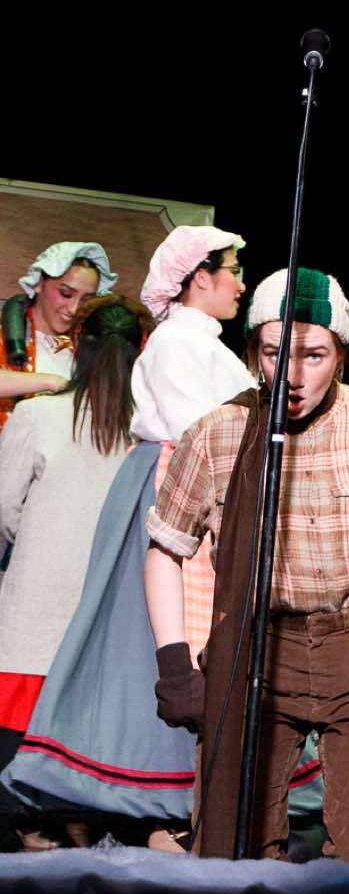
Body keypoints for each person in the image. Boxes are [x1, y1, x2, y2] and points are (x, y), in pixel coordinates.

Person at [144, 267, 349, 875]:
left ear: (340, 354)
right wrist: (175, 665)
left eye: (314, 355)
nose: (292, 374)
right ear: (253, 351)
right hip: (257, 647)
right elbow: (166, 549)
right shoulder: (218, 433)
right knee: (230, 854)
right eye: (273, 353)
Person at [0, 294, 154, 849]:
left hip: (33, 625)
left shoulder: (37, 415)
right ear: (141, 350)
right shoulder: (149, 433)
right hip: (109, 631)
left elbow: (3, 511)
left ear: (78, 347)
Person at [131, 225, 255, 661]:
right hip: (180, 485)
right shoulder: (175, 339)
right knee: (176, 619)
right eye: (234, 271)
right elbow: (195, 429)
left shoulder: (204, 342)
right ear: (201, 277)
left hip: (206, 483)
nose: (241, 285)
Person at [1, 242, 116, 430]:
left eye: (86, 300)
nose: (74, 309)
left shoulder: (87, 345)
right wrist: (50, 382)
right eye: (66, 293)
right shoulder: (5, 332)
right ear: (39, 283)